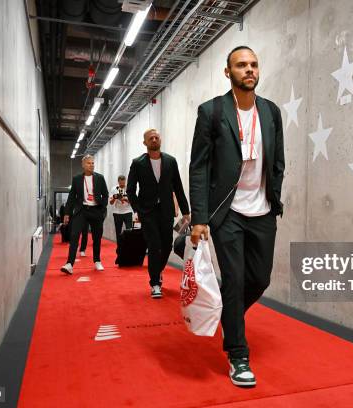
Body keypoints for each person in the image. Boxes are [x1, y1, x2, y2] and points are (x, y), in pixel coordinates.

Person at [189, 46, 284, 387]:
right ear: (227, 72)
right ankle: (238, 355)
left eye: (254, 64)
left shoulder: (271, 113)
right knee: (234, 278)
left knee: (259, 279)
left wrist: (274, 196)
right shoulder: (212, 112)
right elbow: (198, 167)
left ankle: (229, 315)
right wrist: (199, 217)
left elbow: (277, 162)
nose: (249, 70)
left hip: (262, 211)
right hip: (227, 212)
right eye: (241, 65)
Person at [126, 128, 190, 298]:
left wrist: (186, 212)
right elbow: (130, 190)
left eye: (156, 137)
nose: (154, 139)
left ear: (160, 140)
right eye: (150, 138)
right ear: (145, 143)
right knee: (154, 245)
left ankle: (157, 270)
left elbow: (178, 187)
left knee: (167, 244)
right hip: (147, 212)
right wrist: (138, 209)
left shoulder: (170, 161)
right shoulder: (138, 163)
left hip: (166, 211)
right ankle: (155, 283)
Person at [60, 154, 109, 274]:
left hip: (96, 210)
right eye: (89, 163)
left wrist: (102, 208)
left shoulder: (100, 178)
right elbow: (71, 198)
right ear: (83, 165)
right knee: (74, 235)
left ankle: (97, 260)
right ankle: (69, 264)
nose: (92, 165)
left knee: (97, 237)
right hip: (81, 211)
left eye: (93, 163)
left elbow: (106, 194)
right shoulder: (77, 179)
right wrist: (67, 214)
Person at [110, 175, 134, 241]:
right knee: (118, 232)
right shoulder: (114, 189)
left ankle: (128, 246)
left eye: (123, 182)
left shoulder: (129, 189)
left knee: (129, 230)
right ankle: (119, 247)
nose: (122, 184)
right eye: (121, 183)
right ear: (118, 182)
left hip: (128, 212)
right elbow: (111, 202)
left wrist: (125, 199)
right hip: (117, 213)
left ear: (125, 181)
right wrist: (115, 197)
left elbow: (133, 201)